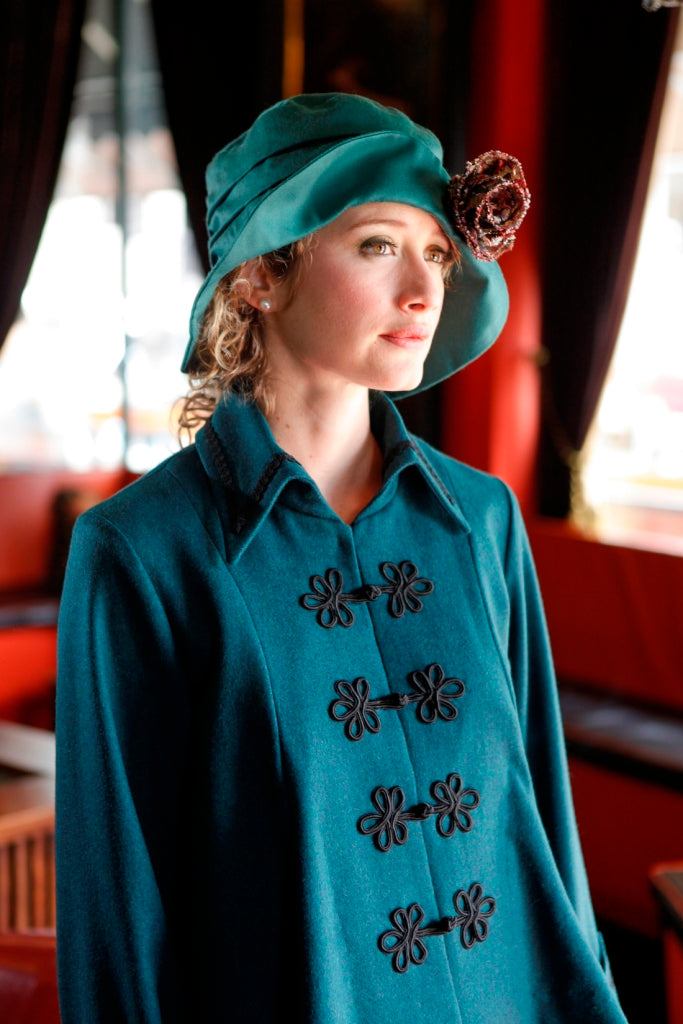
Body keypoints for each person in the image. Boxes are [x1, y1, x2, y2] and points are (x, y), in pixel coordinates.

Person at [55, 92, 628, 1023]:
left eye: (437, 253)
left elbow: (545, 831)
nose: (422, 290)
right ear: (260, 279)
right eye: (376, 245)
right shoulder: (141, 554)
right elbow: (119, 919)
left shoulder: (481, 520)